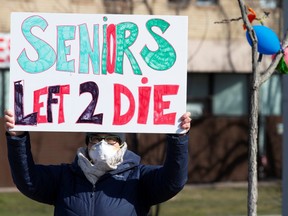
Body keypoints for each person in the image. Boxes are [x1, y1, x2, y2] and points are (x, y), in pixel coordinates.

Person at [4, 109, 191, 216]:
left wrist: (178, 138)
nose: (102, 144)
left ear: (121, 144)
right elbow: (28, 181)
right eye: (95, 139)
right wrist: (18, 138)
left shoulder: (138, 178)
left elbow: (172, 181)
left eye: (111, 139)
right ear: (87, 144)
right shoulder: (66, 177)